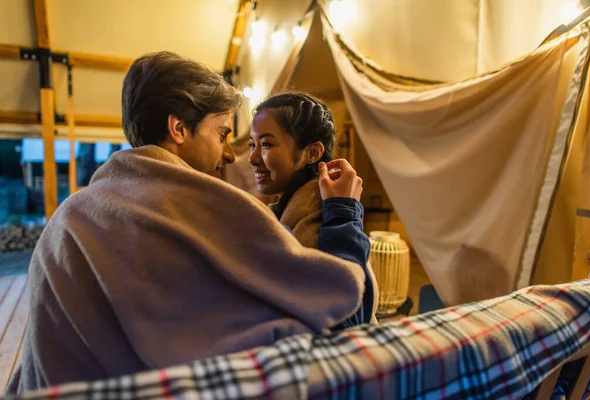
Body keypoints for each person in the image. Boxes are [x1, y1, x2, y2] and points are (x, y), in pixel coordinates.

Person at [8, 52, 373, 393]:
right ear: (179, 129)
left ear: (312, 153)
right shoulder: (212, 208)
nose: (232, 155)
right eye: (223, 134)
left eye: (265, 144)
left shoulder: (70, 215)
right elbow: (337, 306)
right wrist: (344, 210)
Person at [248, 92, 378, 322]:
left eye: (266, 144)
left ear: (312, 153)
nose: (252, 157)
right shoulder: (290, 207)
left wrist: (343, 212)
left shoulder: (315, 213)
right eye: (252, 144)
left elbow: (341, 318)